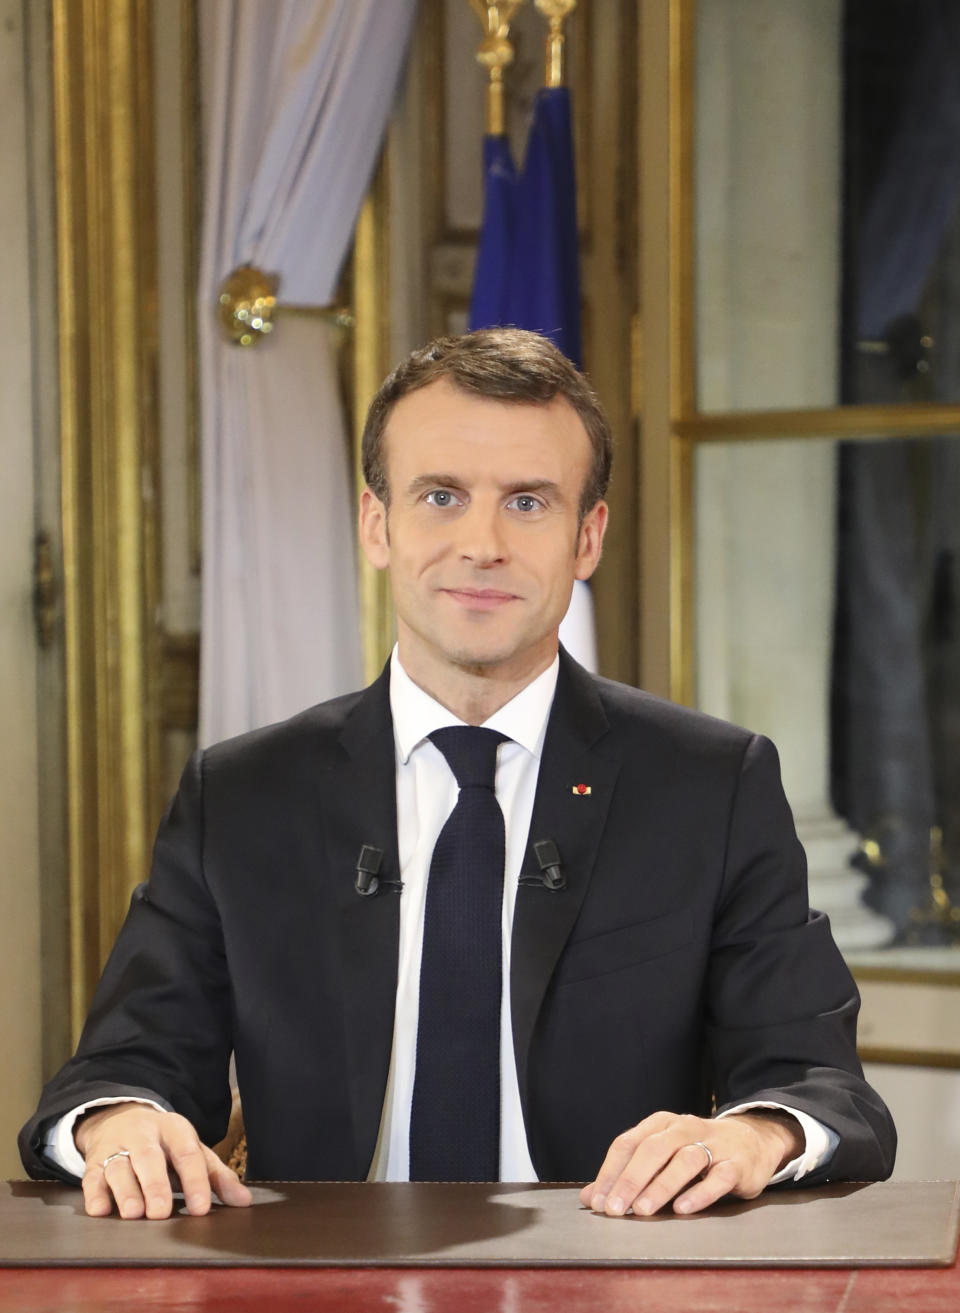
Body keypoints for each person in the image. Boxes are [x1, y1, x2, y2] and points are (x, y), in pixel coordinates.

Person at [20, 328, 895, 1221]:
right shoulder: (243, 796)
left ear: (587, 537)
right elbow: (119, 1068)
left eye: (527, 501)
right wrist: (118, 1119)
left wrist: (752, 1133)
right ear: (377, 523)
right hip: (320, 1285)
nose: (482, 543)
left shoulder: (711, 786)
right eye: (441, 495)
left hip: (604, 1282)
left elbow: (823, 1087)